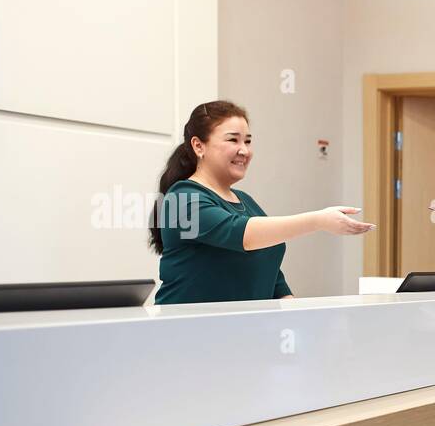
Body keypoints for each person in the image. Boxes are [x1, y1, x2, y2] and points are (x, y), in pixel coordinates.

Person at [149, 100, 373, 304]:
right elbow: (241, 234)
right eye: (233, 140)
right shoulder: (182, 198)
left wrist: (296, 314)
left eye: (247, 141)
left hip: (246, 334)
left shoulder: (247, 202)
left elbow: (272, 275)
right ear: (199, 146)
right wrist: (318, 220)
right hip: (186, 335)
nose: (244, 150)